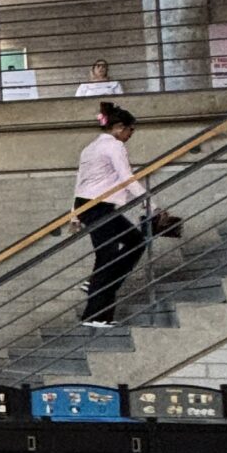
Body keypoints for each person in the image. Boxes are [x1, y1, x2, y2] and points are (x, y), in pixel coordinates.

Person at [73, 105, 147, 328]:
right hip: (99, 206)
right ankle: (96, 314)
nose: (130, 135)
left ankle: (95, 300)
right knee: (127, 246)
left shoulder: (89, 148)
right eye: (130, 130)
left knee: (111, 253)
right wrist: (150, 203)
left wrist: (74, 214)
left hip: (87, 204)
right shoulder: (114, 146)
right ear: (119, 128)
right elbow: (126, 177)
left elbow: (80, 181)